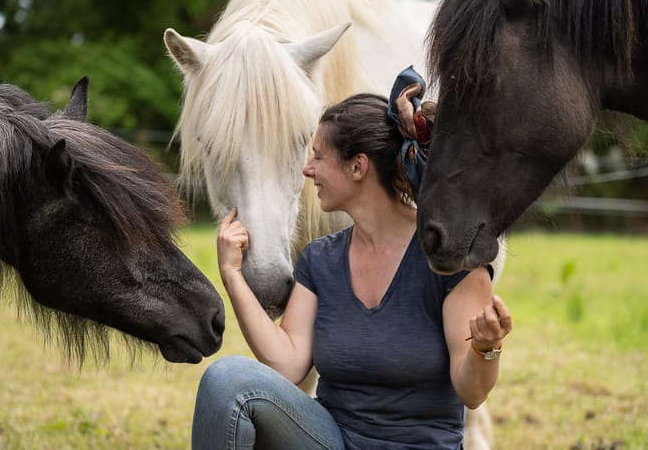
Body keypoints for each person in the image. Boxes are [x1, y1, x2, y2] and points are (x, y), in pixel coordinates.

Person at [191, 68, 513, 450]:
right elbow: (287, 364)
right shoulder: (320, 260)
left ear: (357, 167)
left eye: (318, 157)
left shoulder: (449, 257)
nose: (307, 169)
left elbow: (471, 392)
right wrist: (232, 275)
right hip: (334, 441)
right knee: (226, 378)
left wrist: (485, 348)